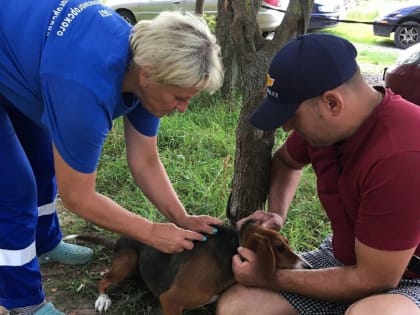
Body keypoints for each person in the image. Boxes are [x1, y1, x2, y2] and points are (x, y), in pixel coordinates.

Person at [0, 1, 224, 314]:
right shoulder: (84, 90)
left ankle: (44, 243)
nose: (183, 108)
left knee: (42, 161)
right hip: (37, 61)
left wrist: (181, 218)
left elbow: (145, 160)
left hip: (28, 54)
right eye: (180, 97)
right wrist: (150, 232)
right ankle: (23, 303)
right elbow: (78, 196)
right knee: (14, 191)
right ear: (148, 76)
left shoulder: (146, 65)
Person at [216, 33, 420, 315]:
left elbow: (376, 279)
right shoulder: (328, 128)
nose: (287, 128)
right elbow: (287, 162)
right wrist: (277, 214)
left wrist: (271, 277)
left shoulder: (403, 154)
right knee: (237, 307)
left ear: (332, 103)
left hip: (407, 278)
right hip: (344, 258)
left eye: (292, 116)